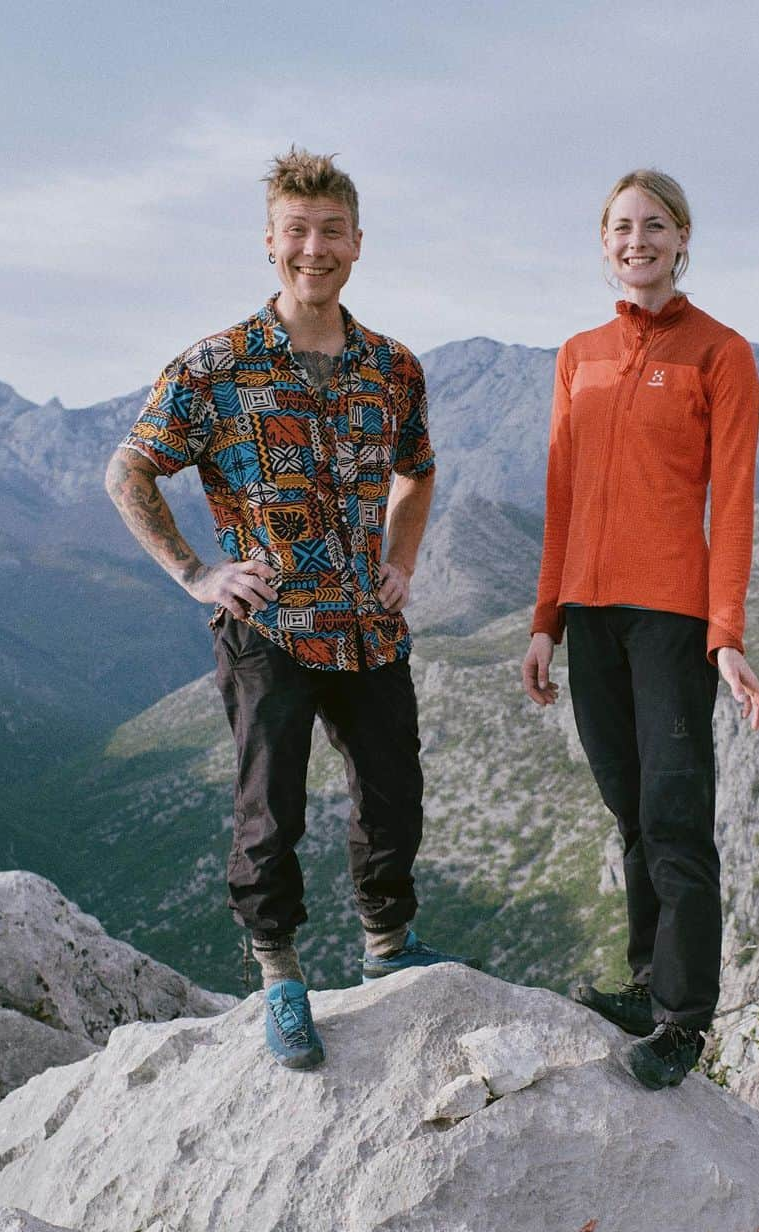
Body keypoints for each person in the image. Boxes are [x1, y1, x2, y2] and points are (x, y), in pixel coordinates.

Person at [106, 147, 473, 1072]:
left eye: (332, 231)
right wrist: (197, 573)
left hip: (364, 622)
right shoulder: (216, 365)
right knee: (270, 808)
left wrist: (401, 559)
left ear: (358, 243)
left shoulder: (392, 367)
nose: (315, 248)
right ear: (270, 243)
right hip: (268, 625)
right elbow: (130, 469)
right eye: (297, 232)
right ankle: (278, 975)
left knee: (393, 792)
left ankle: (389, 942)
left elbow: (418, 470)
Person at [522, 168, 759, 1090]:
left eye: (655, 225)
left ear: (683, 238)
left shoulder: (722, 354)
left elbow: (734, 504)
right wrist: (544, 620)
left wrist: (727, 632)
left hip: (671, 617)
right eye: (623, 226)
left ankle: (682, 1020)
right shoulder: (578, 353)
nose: (638, 241)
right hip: (588, 617)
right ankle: (643, 980)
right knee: (628, 808)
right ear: (604, 241)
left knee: (675, 814)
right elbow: (561, 496)